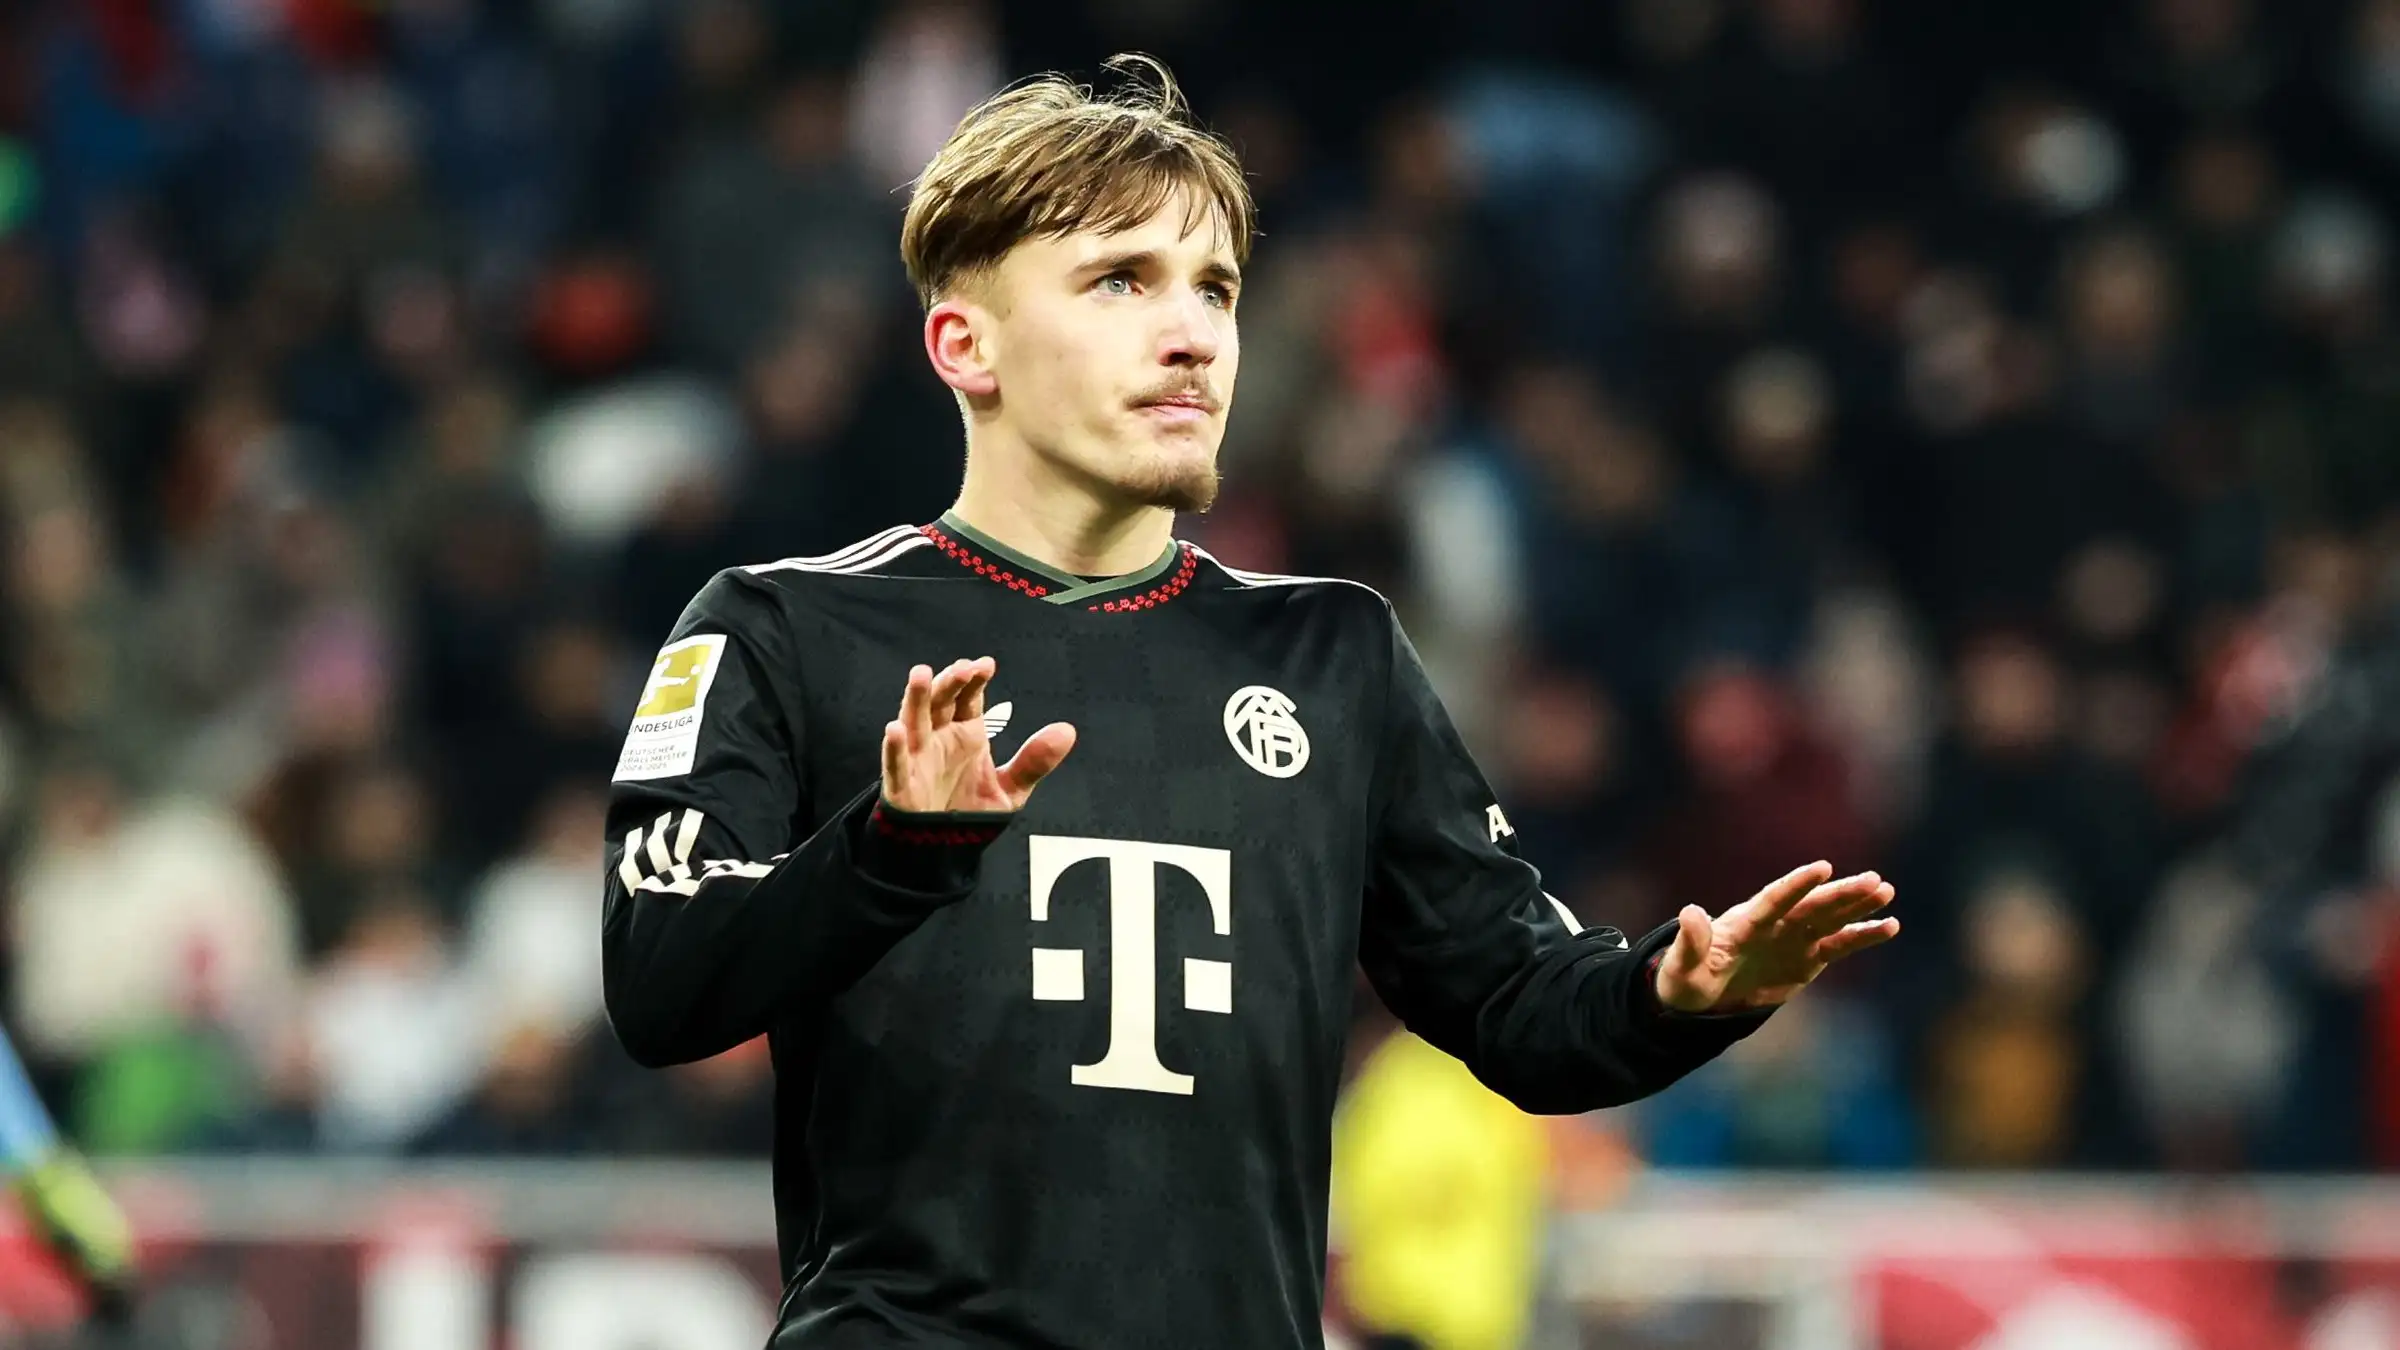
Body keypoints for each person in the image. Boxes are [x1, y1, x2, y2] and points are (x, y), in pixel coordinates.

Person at [600, 55, 1900, 1349]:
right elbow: (663, 982)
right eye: (1121, 279)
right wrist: (890, 852)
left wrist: (1680, 995)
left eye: (1215, 286)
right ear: (965, 342)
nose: (1194, 333)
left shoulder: (1332, 654)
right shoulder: (783, 627)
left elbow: (1518, 1005)